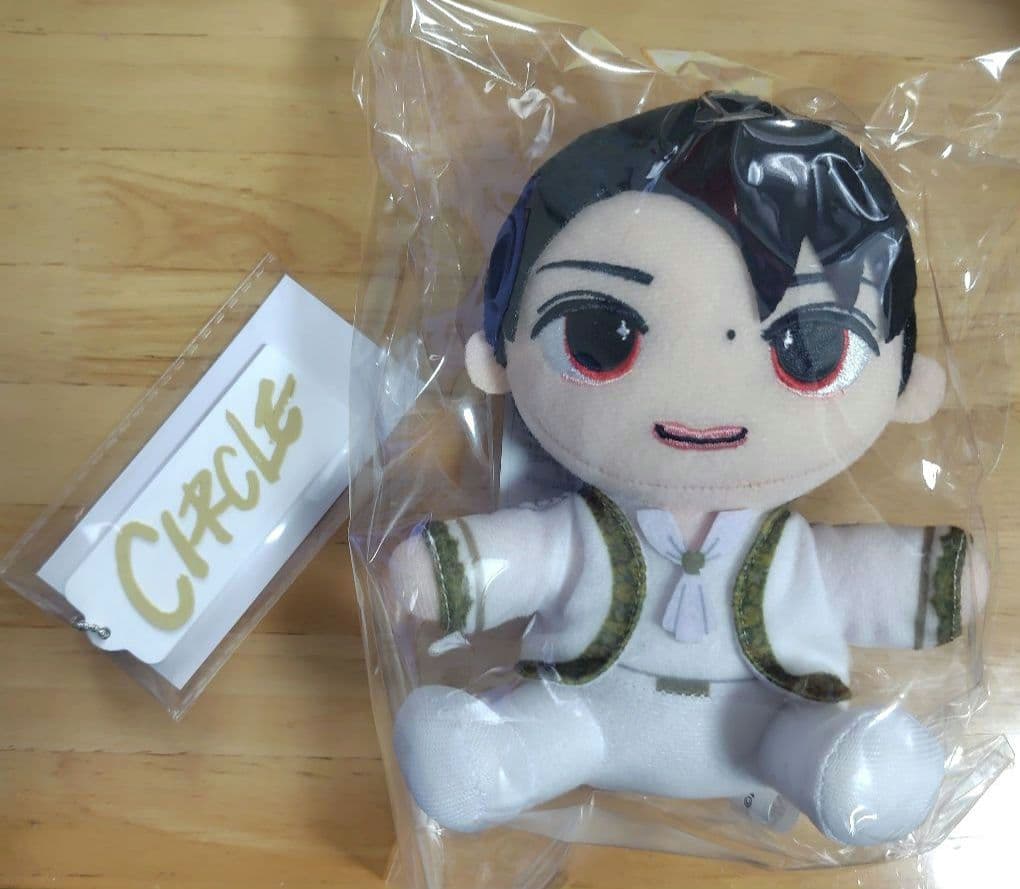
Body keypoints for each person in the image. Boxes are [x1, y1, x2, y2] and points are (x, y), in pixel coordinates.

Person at [388, 93, 987, 846]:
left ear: (906, 388)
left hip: (774, 730)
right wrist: (440, 574)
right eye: (602, 338)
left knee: (835, 760)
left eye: (807, 352)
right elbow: (522, 558)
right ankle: (489, 762)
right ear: (498, 361)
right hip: (581, 717)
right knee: (509, 747)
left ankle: (848, 772)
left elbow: (859, 579)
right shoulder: (579, 533)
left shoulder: (793, 554)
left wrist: (938, 583)